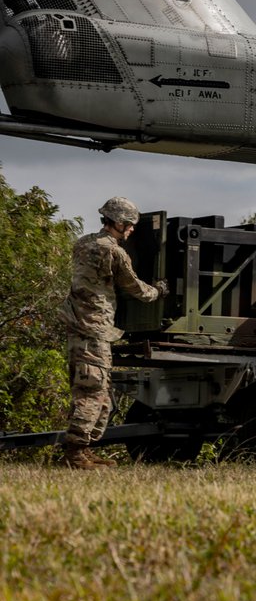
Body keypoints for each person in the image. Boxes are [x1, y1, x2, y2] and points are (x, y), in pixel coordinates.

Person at [59, 197, 167, 469]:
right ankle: (74, 453)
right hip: (93, 329)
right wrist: (159, 291)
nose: (131, 230)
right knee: (93, 391)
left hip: (81, 326)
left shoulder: (82, 242)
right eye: (129, 225)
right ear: (118, 222)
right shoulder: (113, 251)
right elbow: (135, 287)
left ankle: (84, 450)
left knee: (102, 392)